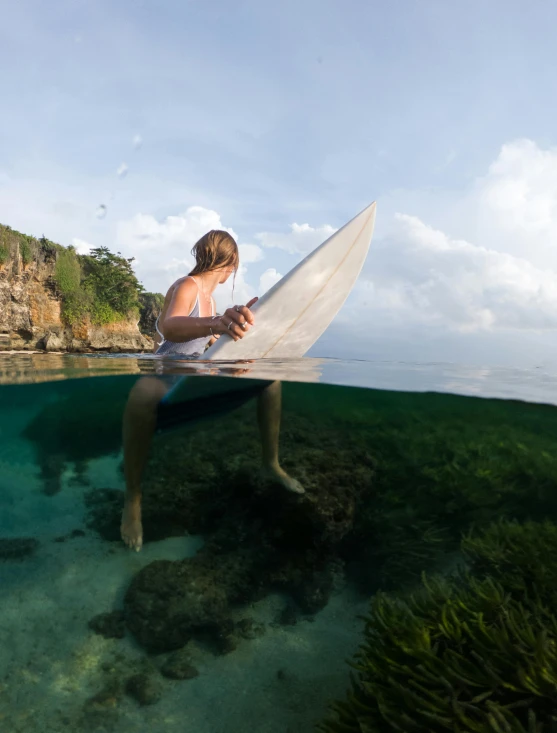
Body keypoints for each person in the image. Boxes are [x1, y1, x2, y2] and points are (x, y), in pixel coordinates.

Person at [121, 229, 304, 551]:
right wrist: (217, 323)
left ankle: (271, 463)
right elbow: (170, 326)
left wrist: (230, 340)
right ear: (231, 263)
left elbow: (205, 339)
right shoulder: (186, 285)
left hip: (198, 371)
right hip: (169, 370)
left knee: (269, 380)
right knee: (140, 395)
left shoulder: (211, 299)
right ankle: (133, 497)